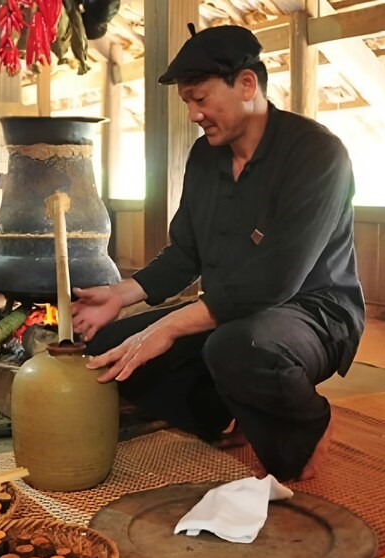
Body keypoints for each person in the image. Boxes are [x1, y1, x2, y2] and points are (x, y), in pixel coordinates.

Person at [70, 24, 364, 482]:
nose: (193, 114)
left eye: (201, 99)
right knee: (111, 348)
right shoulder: (205, 158)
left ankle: (307, 426)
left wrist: (168, 327)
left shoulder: (317, 154)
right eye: (187, 101)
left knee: (238, 346)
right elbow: (186, 252)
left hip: (312, 312)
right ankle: (227, 412)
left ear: (247, 85)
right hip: (232, 311)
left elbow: (276, 280)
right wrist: (120, 295)